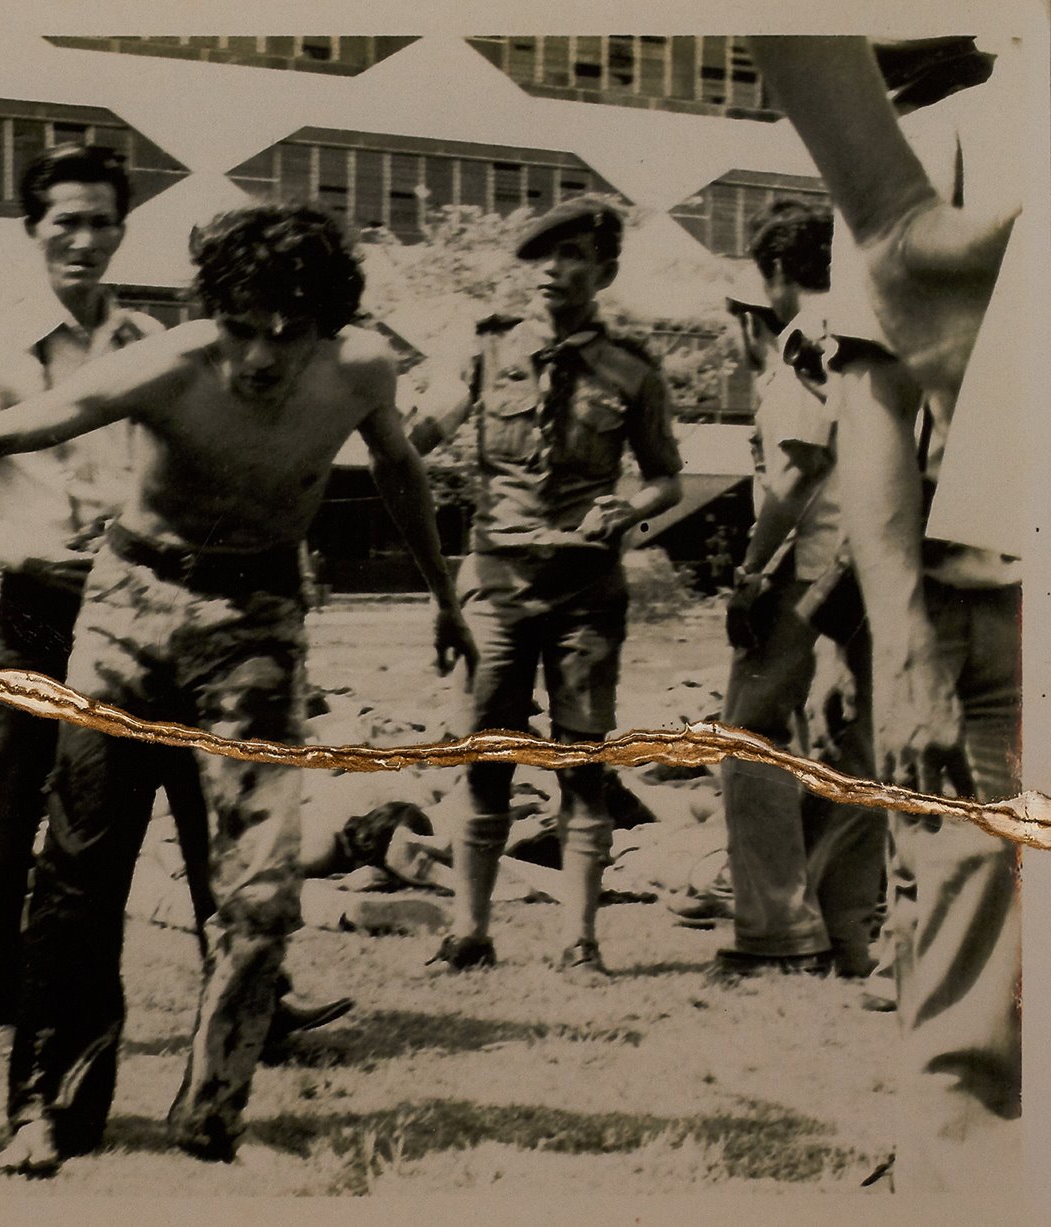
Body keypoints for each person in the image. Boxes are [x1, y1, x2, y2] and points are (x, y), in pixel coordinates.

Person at [0, 203, 474, 1173]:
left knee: (256, 890)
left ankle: (211, 1112)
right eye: (243, 328)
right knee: (81, 870)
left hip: (257, 627)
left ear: (329, 328)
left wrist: (445, 596)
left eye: (288, 335)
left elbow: (400, 471)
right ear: (217, 314)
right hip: (129, 616)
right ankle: (49, 1111)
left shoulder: (363, 371)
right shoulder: (169, 363)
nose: (259, 356)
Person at [0, 144, 349, 1061]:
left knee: (206, 799)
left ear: (121, 230)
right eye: (64, 220)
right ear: (32, 230)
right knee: (21, 797)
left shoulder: (155, 341)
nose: (84, 239)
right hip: (38, 596)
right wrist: (20, 549)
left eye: (102, 220)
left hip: (147, 593)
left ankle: (255, 1001)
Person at [749, 34, 1023, 1197]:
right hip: (1001, 615)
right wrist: (903, 645)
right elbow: (871, 414)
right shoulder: (961, 134)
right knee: (979, 1017)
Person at [409, 197, 683, 984]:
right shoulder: (487, 351)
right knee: (485, 756)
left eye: (571, 258)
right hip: (495, 585)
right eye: (541, 257)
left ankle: (580, 943)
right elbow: (424, 430)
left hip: (586, 590)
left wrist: (632, 506)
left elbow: (668, 476)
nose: (552, 272)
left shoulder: (633, 369)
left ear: (604, 272)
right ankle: (468, 933)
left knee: (581, 760)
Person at [713, 200, 883, 980]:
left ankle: (779, 934)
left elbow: (794, 472)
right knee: (860, 750)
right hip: (874, 562)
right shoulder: (868, 327)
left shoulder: (799, 345)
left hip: (805, 570)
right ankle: (847, 928)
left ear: (776, 275)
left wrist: (748, 569)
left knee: (747, 737)